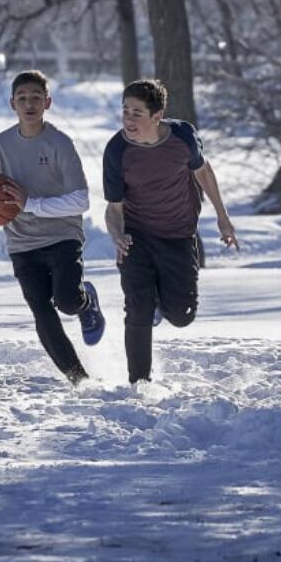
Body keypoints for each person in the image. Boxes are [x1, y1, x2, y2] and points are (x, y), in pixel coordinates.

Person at [0, 69, 106, 385]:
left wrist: (31, 204)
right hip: (22, 243)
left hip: (62, 237)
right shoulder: (1, 144)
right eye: (22, 98)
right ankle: (79, 379)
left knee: (68, 302)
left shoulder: (59, 143)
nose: (29, 103)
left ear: (48, 102)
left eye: (35, 98)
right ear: (12, 104)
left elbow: (81, 199)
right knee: (43, 312)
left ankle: (87, 301)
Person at [102, 78, 239, 384]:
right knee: (137, 308)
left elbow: (202, 170)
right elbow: (113, 209)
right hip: (136, 236)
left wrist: (222, 216)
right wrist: (117, 236)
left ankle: (160, 304)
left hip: (178, 235)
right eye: (125, 111)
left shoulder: (183, 137)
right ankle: (139, 384)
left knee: (182, 315)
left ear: (157, 115)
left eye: (137, 113)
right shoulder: (116, 150)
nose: (128, 119)